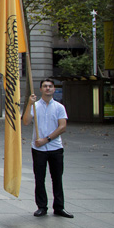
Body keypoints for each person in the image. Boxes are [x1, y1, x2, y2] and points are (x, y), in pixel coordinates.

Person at [22, 78, 73, 218]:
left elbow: (62, 127)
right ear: (41, 89)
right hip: (38, 149)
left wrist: (47, 139)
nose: (48, 88)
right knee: (39, 178)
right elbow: (26, 122)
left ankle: (59, 207)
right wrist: (29, 104)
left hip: (55, 147)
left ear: (54, 89)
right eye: (45, 86)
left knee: (57, 178)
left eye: (50, 86)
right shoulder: (35, 106)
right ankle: (41, 207)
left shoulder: (59, 107)